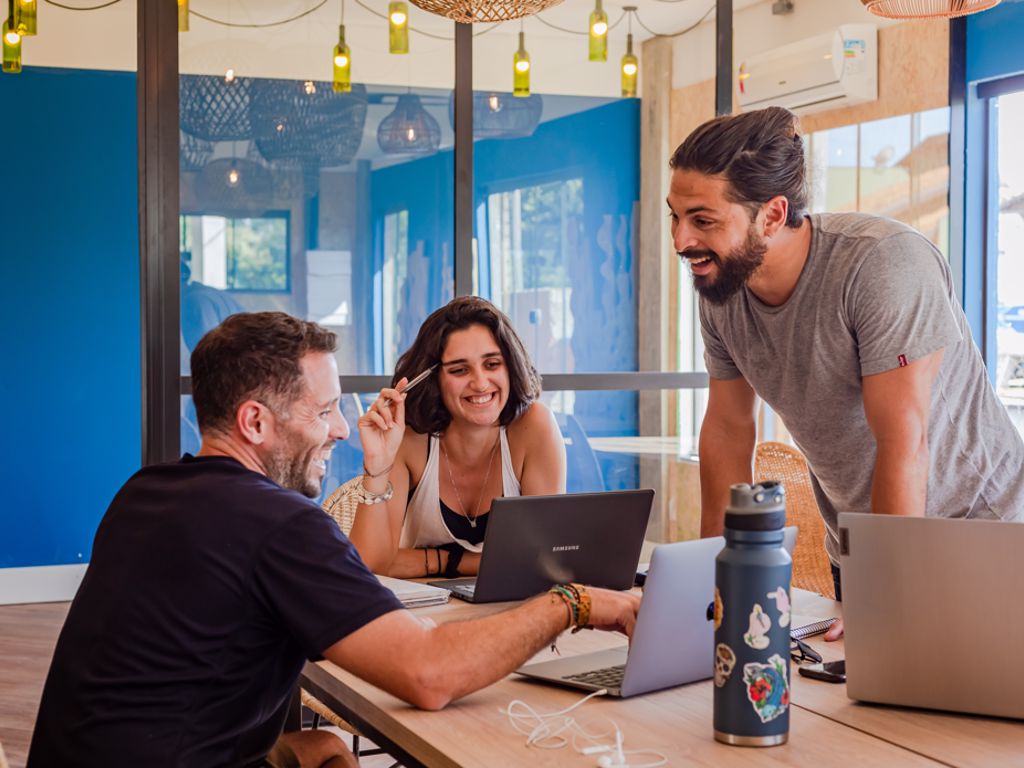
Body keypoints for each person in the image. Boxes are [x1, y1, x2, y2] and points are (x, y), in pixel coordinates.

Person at [27, 312, 638, 768]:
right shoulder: (280, 525)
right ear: (255, 423)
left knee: (320, 749)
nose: (343, 429)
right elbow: (428, 675)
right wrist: (574, 601)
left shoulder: (146, 491)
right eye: (323, 412)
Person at [666, 107, 1024, 639]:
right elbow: (726, 429)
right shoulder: (722, 287)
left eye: (703, 220)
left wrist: (883, 600)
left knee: (958, 721)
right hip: (867, 545)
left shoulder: (882, 264)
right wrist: (716, 580)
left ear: (771, 214)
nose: (680, 240)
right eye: (674, 217)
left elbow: (904, 440)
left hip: (980, 536)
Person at [347, 296, 567, 578]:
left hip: (513, 604)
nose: (480, 383)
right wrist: (377, 466)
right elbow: (368, 566)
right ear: (434, 378)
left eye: (492, 364)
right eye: (460, 370)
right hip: (424, 611)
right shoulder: (409, 438)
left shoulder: (534, 425)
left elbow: (544, 558)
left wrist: (443, 561)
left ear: (510, 367)